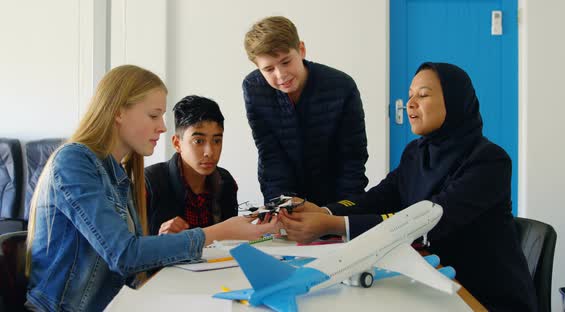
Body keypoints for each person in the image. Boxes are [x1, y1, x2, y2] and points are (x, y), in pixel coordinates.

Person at [278, 63, 537, 311]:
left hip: (481, 294)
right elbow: (382, 196)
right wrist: (327, 212)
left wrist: (334, 226)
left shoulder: (489, 160)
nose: (410, 103)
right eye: (410, 95)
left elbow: (428, 222)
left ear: (454, 101)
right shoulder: (417, 151)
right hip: (430, 280)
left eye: (423, 95)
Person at [25, 65, 276, 311]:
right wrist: (218, 232)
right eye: (154, 115)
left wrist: (161, 244)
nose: (163, 127)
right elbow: (124, 255)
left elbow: (130, 259)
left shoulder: (118, 173)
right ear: (119, 112)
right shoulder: (74, 161)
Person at [242, 16, 368, 206]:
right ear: (257, 67)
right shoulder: (253, 88)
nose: (281, 75)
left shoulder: (342, 87)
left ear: (301, 50)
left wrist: (340, 211)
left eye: (286, 62)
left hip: (337, 193)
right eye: (268, 69)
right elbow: (270, 154)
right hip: (284, 195)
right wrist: (283, 203)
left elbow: (352, 157)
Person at [145, 95, 238, 235]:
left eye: (217, 141)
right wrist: (159, 240)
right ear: (177, 143)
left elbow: (231, 241)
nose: (210, 152)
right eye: (199, 141)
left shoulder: (225, 182)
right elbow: (131, 248)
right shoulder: (150, 182)